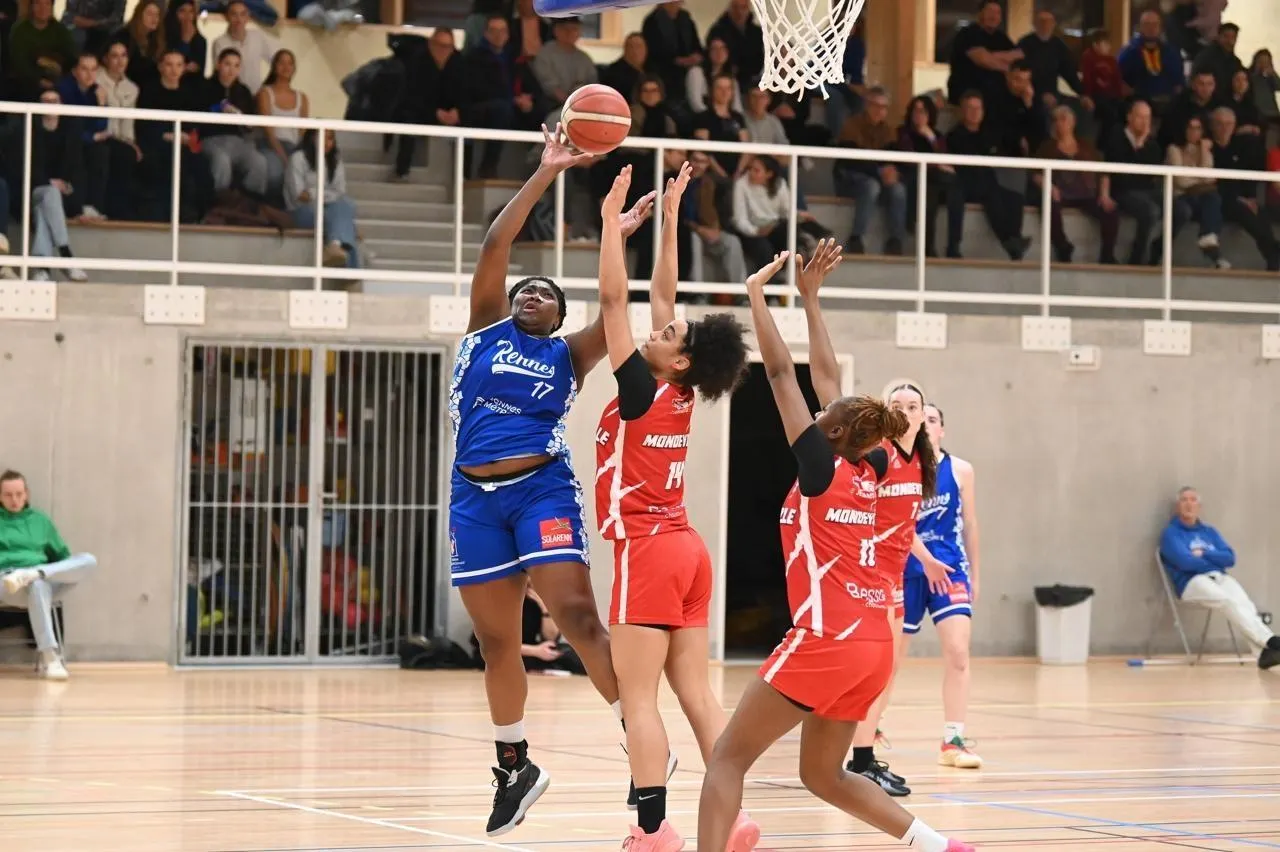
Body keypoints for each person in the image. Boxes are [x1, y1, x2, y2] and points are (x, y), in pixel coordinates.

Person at [696, 248, 977, 852]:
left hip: (828, 636)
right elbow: (827, 382)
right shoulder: (871, 468)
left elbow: (783, 375)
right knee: (823, 774)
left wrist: (756, 296)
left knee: (727, 757)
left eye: (828, 414)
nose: (821, 408)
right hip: (872, 641)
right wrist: (811, 299)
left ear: (838, 433)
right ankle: (940, 845)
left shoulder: (823, 466)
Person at [447, 124, 656, 837]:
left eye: (545, 292)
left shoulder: (569, 354)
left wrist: (614, 237)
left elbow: (615, 308)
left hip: (541, 489)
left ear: (561, 316)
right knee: (497, 643)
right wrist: (547, 170)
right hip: (473, 499)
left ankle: (640, 741)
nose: (530, 292)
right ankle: (515, 766)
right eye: (525, 288)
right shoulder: (484, 330)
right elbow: (494, 247)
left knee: (577, 617)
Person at [596, 162, 757, 851]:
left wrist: (610, 226)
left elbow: (614, 302)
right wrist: (668, 221)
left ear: (680, 361)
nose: (657, 331)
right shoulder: (681, 390)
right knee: (697, 694)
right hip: (689, 552)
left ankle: (653, 831)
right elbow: (663, 296)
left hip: (650, 549)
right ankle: (735, 819)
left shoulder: (641, 389)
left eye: (668, 337)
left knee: (639, 698)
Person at [844, 379, 949, 797]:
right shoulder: (878, 455)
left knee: (885, 674)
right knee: (869, 673)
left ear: (924, 416)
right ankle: (858, 761)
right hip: (870, 579)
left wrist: (926, 559)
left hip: (897, 577)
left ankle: (863, 759)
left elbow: (904, 525)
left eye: (913, 406)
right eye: (898, 404)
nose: (906, 411)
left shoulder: (922, 461)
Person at [902, 405, 984, 768]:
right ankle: (868, 732)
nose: (926, 423)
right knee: (889, 661)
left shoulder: (961, 470)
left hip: (950, 570)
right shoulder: (898, 470)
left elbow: (971, 524)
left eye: (933, 419)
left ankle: (953, 740)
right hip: (906, 570)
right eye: (922, 418)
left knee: (958, 652)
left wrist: (975, 575)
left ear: (942, 430)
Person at [1158, 487, 1279, 670]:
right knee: (1226, 600)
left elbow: (1230, 558)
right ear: (1178, 506)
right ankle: (1271, 641)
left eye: (1193, 500)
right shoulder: (1171, 533)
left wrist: (1204, 553)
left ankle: (1263, 654)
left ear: (1199, 506)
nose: (1189, 504)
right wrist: (1213, 560)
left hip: (1219, 577)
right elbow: (1185, 562)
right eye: (1184, 500)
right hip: (1191, 582)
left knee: (1245, 603)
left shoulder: (1209, 532)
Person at [0, 470, 99, 681]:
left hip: (44, 577)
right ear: (0, 496)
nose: (14, 500)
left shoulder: (41, 520)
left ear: (26, 494)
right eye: (8, 495)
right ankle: (50, 658)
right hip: (8, 583)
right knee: (37, 586)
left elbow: (64, 558)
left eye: (19, 494)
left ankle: (34, 573)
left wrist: (41, 572)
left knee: (88, 560)